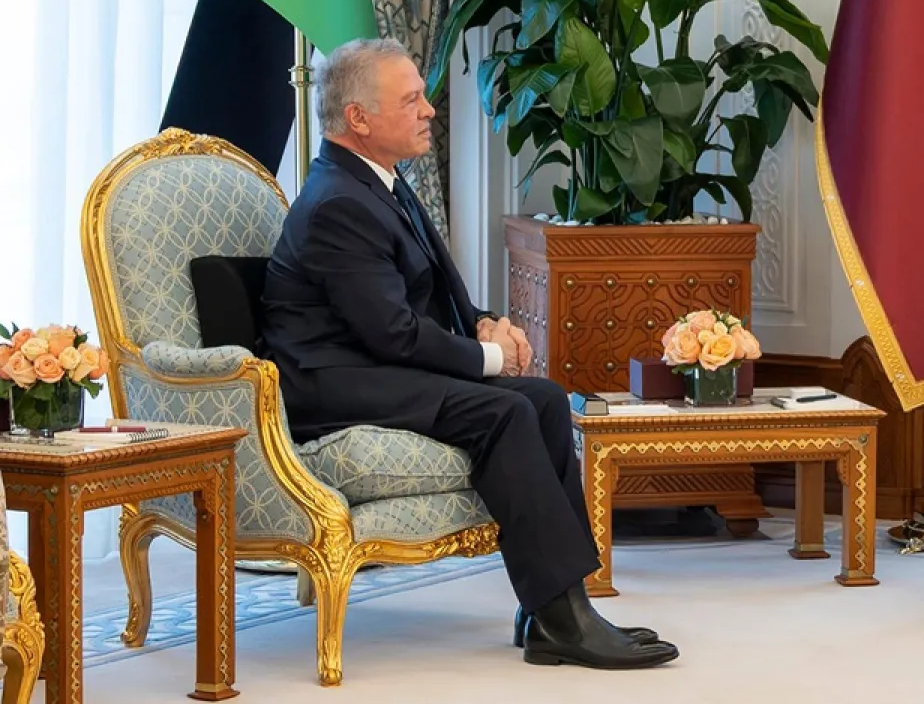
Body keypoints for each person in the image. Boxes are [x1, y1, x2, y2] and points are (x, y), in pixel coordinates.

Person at [260, 38, 678, 670]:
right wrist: (489, 359)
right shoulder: (339, 203)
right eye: (412, 99)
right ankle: (565, 619)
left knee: (544, 400)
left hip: (374, 365)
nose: (429, 110)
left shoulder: (376, 183)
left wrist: (482, 323)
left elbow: (418, 294)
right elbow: (391, 333)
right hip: (336, 384)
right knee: (505, 412)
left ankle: (552, 610)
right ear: (359, 118)